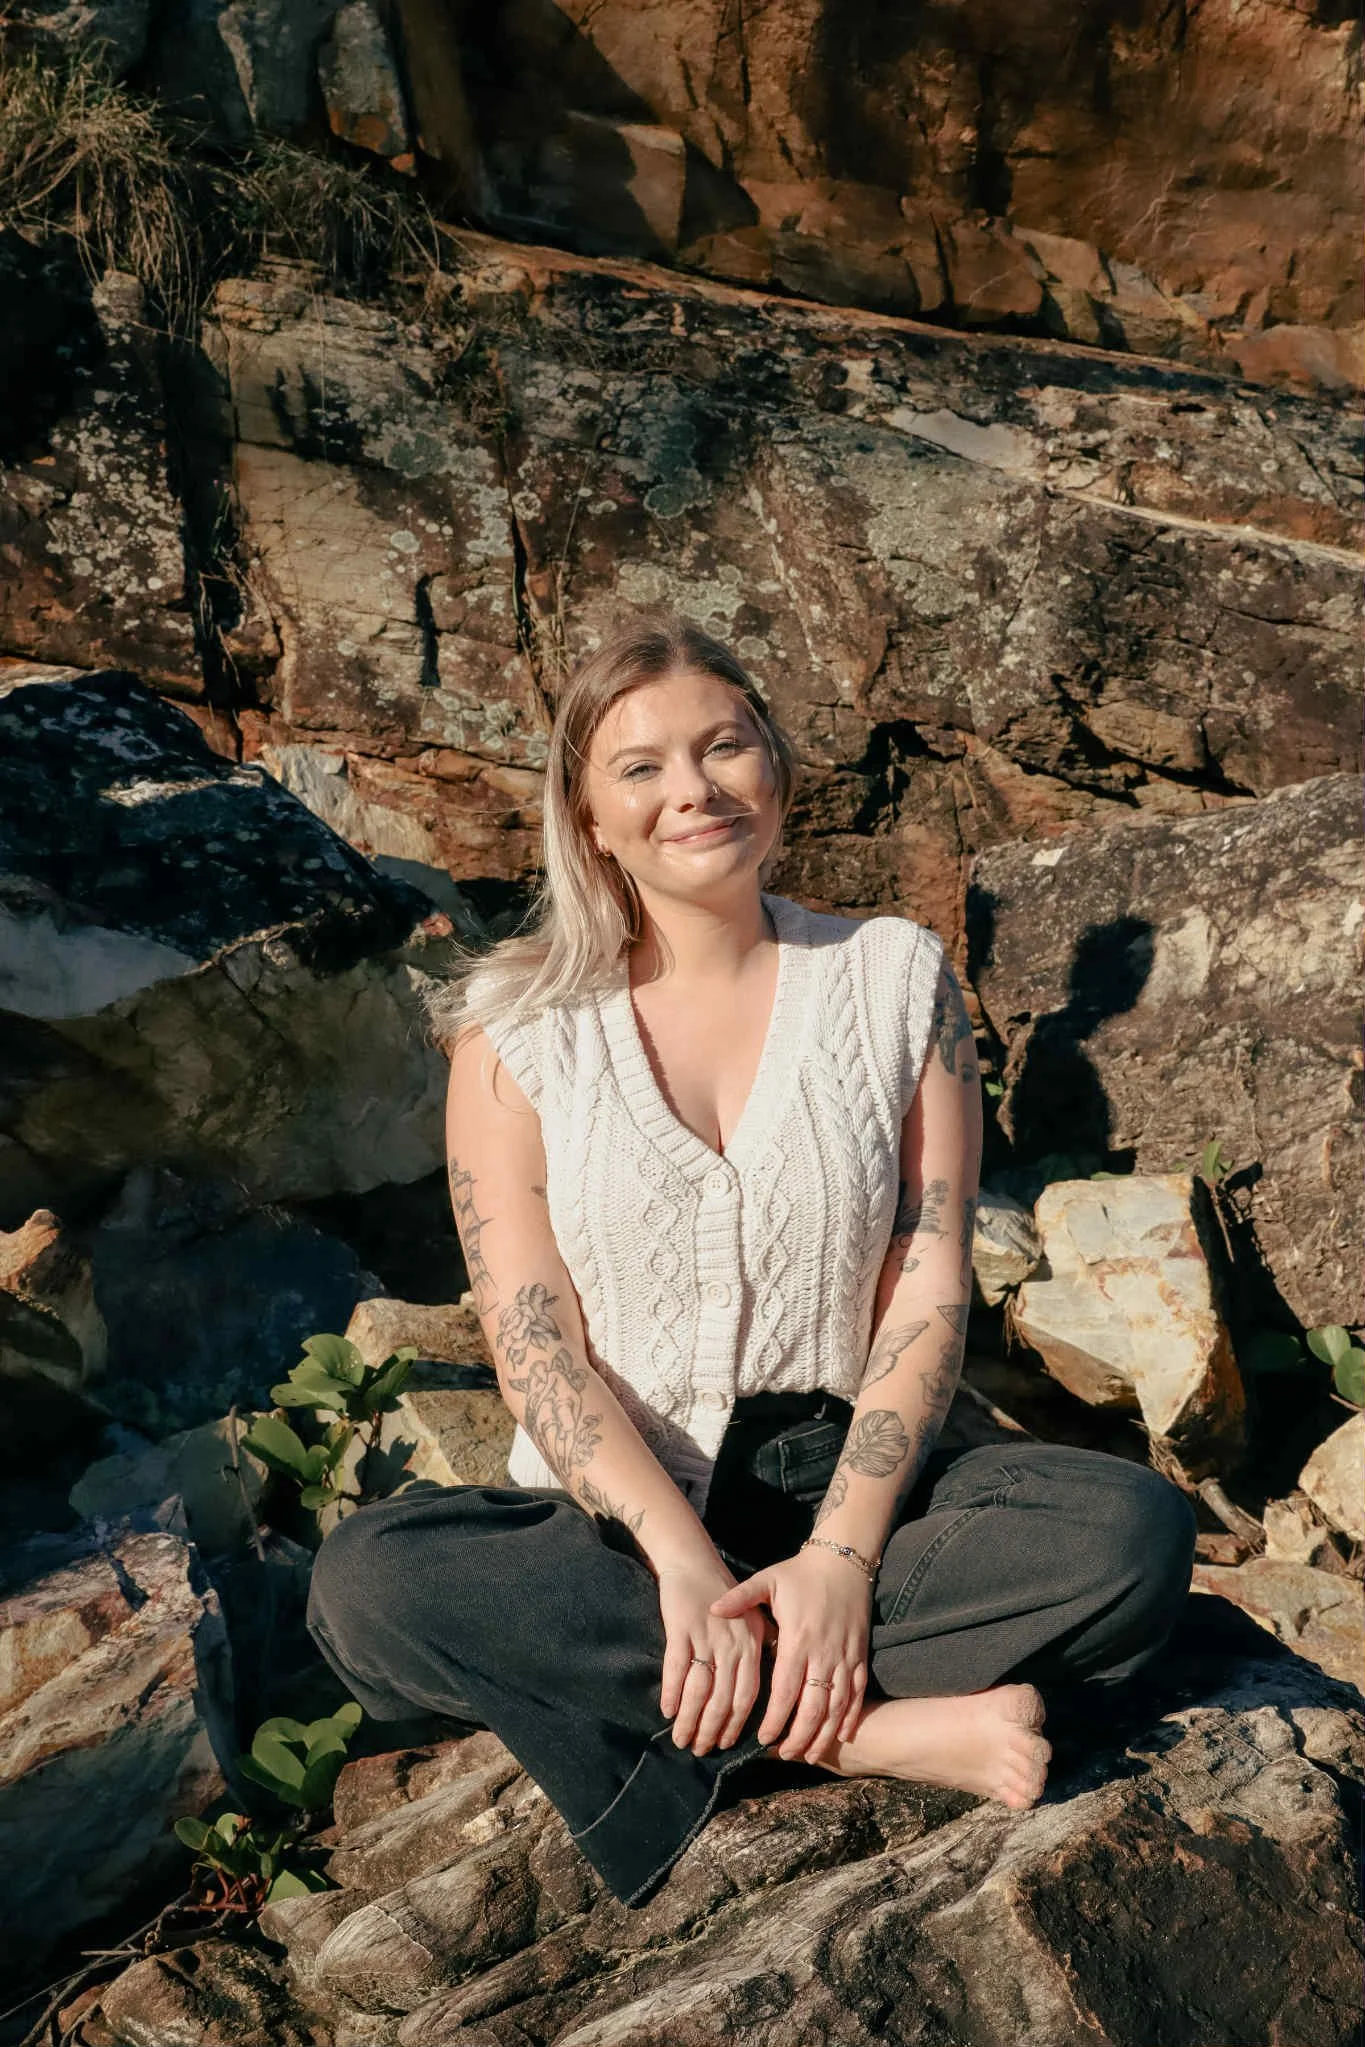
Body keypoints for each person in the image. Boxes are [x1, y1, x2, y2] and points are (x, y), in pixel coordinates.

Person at [306, 611, 1196, 1907]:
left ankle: (694, 1708)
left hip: (844, 1485)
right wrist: (677, 1559)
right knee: (368, 1588)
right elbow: (532, 1332)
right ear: (587, 815)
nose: (694, 789)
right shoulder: (515, 1030)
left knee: (1131, 1530)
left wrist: (839, 1557)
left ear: (775, 762)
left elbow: (930, 1273)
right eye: (643, 765)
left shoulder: (894, 977)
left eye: (725, 745)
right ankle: (854, 1729)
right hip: (614, 1519)